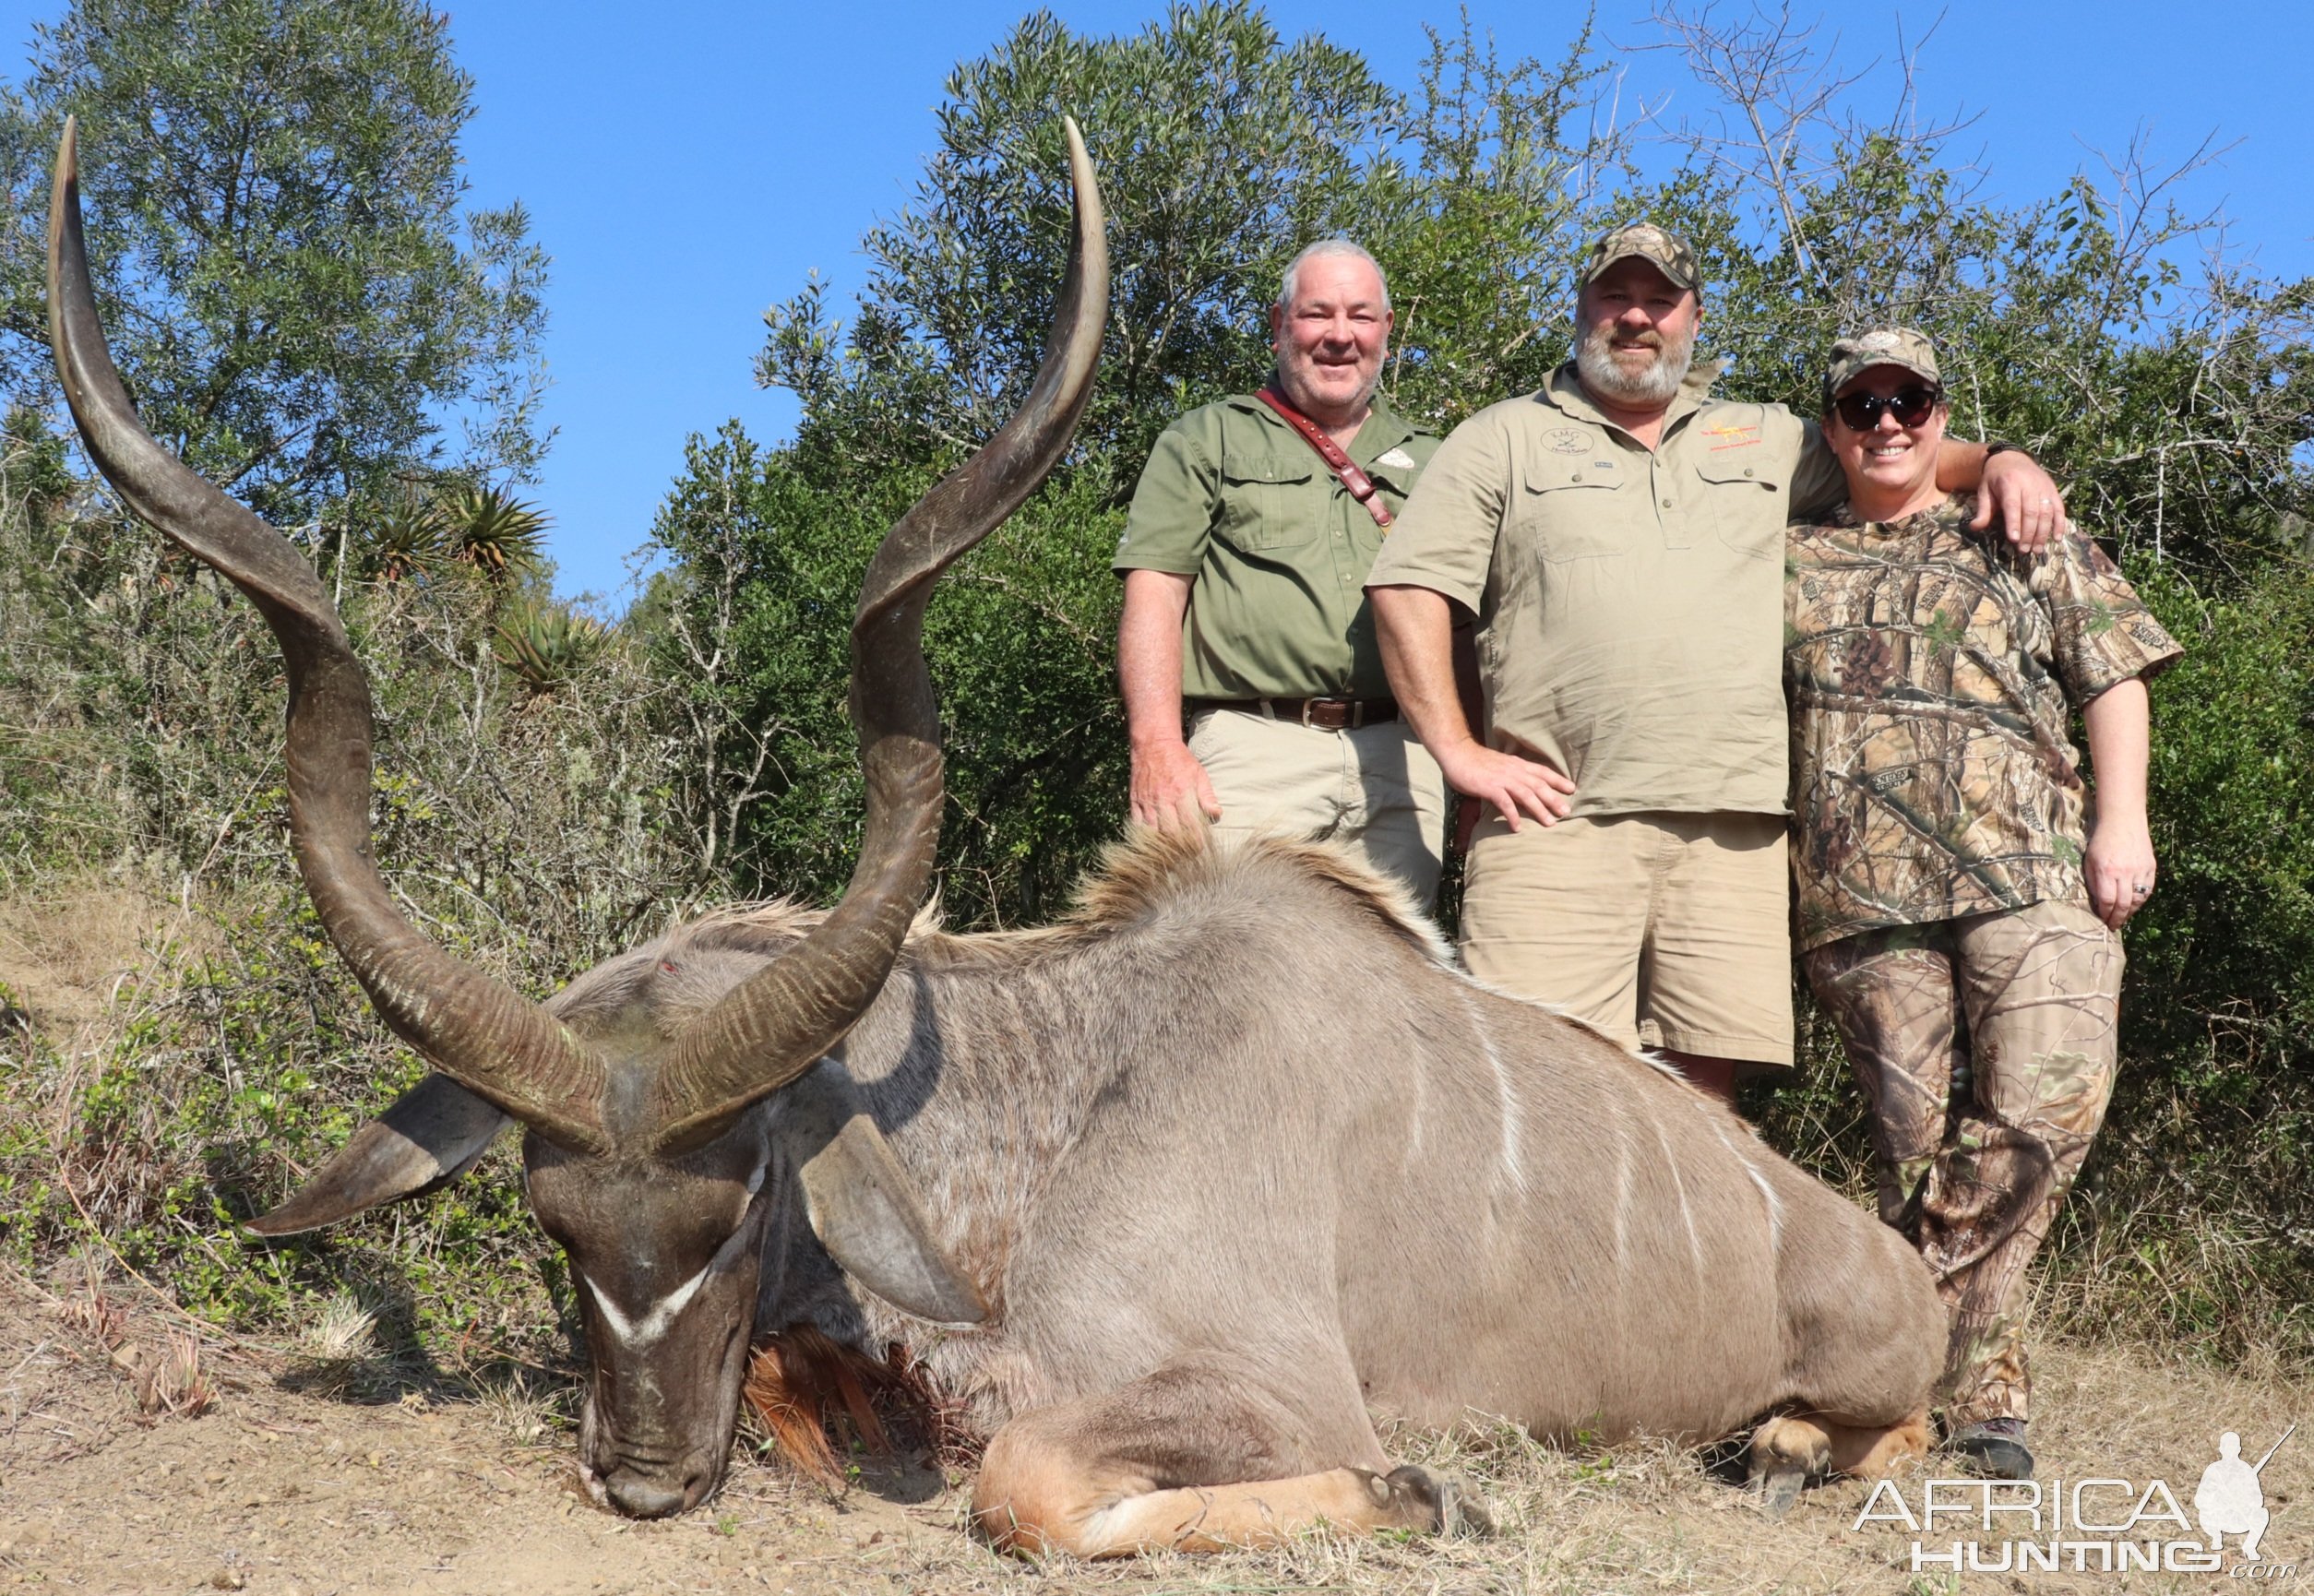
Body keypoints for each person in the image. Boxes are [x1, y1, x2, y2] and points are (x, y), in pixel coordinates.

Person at [1366, 222, 2069, 1097]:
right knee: (1537, 1102)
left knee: (1702, 1114)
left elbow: (1889, 459)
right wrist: (1460, 754)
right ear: (1582, 309)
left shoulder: (1764, 438)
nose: (1636, 318)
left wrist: (2004, 461)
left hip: (1734, 834)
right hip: (1558, 827)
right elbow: (1408, 589)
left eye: (1660, 301)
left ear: (1693, 320)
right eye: (1616, 298)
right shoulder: (1502, 437)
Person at [1785, 327, 2181, 1480]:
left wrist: (2125, 821)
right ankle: (1982, 1399)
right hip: (1861, 901)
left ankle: (1892, 1357)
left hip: (2036, 874)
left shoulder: (2020, 528)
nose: (1889, 421)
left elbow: (2111, 674)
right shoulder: (1791, 555)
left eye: (1912, 400)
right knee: (1916, 1156)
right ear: (1833, 429)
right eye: (1863, 403)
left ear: (1944, 413)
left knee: (2046, 1113)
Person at [1114, 239, 1450, 903]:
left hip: (1404, 759)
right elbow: (1154, 594)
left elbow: (1467, 629)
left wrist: (1466, 766)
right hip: (1253, 751)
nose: (1339, 336)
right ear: (1278, 326)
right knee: (1226, 982)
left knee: (1389, 993)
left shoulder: (1439, 459)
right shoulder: (1206, 438)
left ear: (1387, 331)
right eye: (1316, 314)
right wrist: (1155, 746)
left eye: (1360, 316)